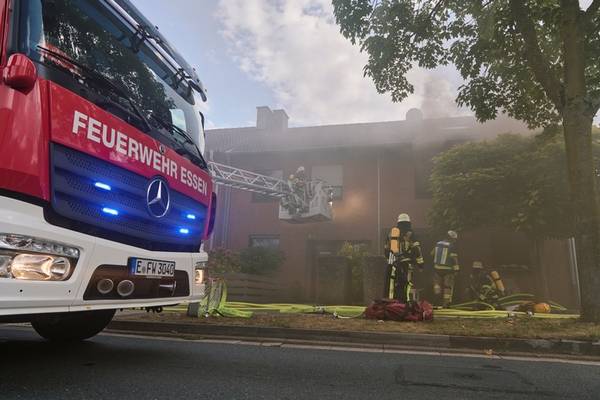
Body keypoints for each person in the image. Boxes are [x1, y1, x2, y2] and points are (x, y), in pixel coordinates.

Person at [384, 213, 425, 302]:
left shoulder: (393, 232)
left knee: (391, 284)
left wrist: (391, 258)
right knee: (405, 283)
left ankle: (390, 301)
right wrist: (420, 264)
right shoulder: (411, 234)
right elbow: (417, 250)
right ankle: (403, 302)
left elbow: (387, 249)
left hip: (392, 264)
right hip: (406, 264)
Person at [432, 230, 459, 307]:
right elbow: (454, 258)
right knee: (447, 286)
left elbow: (432, 253)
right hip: (448, 269)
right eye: (454, 239)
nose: (455, 241)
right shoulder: (451, 246)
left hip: (437, 268)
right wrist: (456, 269)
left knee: (437, 285)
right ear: (451, 238)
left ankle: (436, 301)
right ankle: (446, 304)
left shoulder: (437, 244)